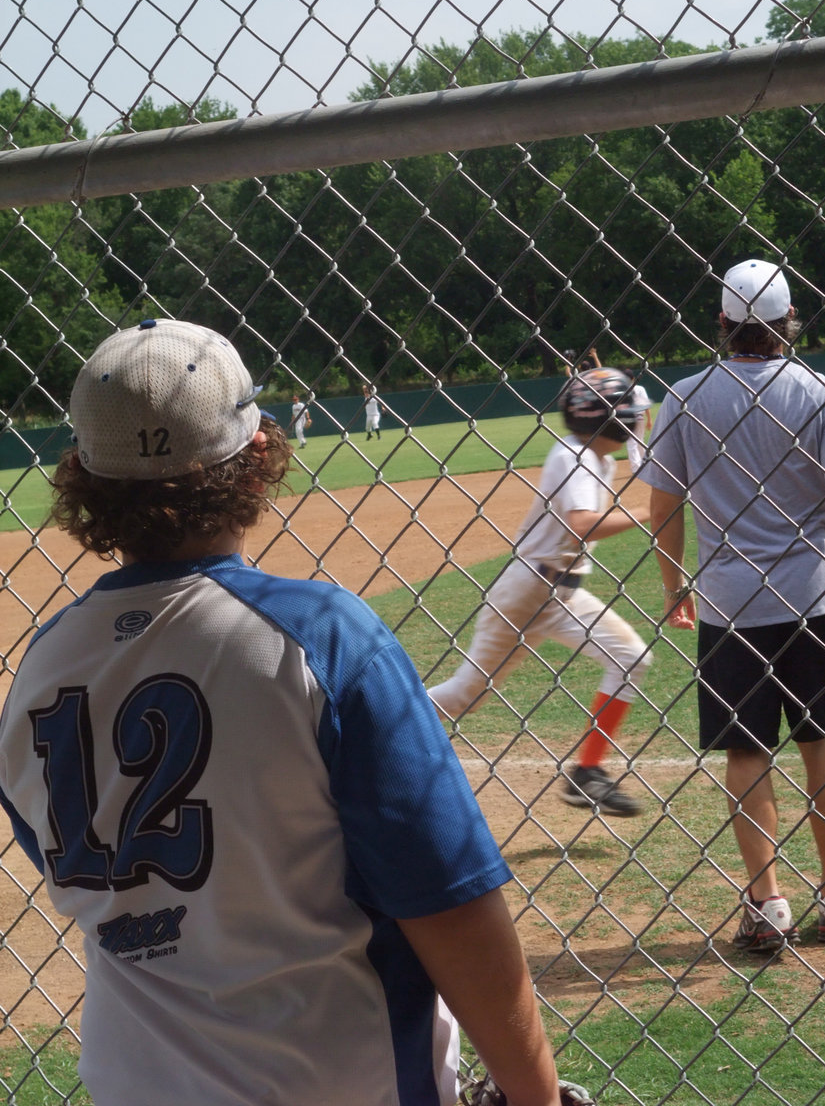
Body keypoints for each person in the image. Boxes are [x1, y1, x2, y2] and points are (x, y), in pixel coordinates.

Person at [0, 319, 562, 1106]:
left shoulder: (39, 668)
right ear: (258, 455)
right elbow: (451, 900)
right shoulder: (322, 638)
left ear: (85, 482)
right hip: (337, 1079)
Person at [640, 258, 825, 952]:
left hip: (731, 605)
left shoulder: (685, 397)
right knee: (823, 745)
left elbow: (663, 504)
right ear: (790, 323)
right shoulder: (824, 391)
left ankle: (766, 902)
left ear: (722, 324)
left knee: (746, 751)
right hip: (821, 595)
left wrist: (675, 587)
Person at [430, 367, 652, 816]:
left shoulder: (597, 458)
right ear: (610, 419)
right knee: (465, 696)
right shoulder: (574, 455)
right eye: (631, 413)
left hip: (562, 595)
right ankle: (377, 720)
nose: (638, 420)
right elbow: (583, 524)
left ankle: (587, 774)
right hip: (527, 591)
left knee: (632, 658)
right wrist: (652, 511)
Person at [623, 377, 654, 474]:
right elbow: (646, 405)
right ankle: (646, 464)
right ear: (633, 378)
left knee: (631, 443)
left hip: (628, 418)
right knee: (640, 441)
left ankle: (636, 468)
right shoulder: (640, 388)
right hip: (640, 417)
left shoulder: (623, 389)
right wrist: (649, 419)